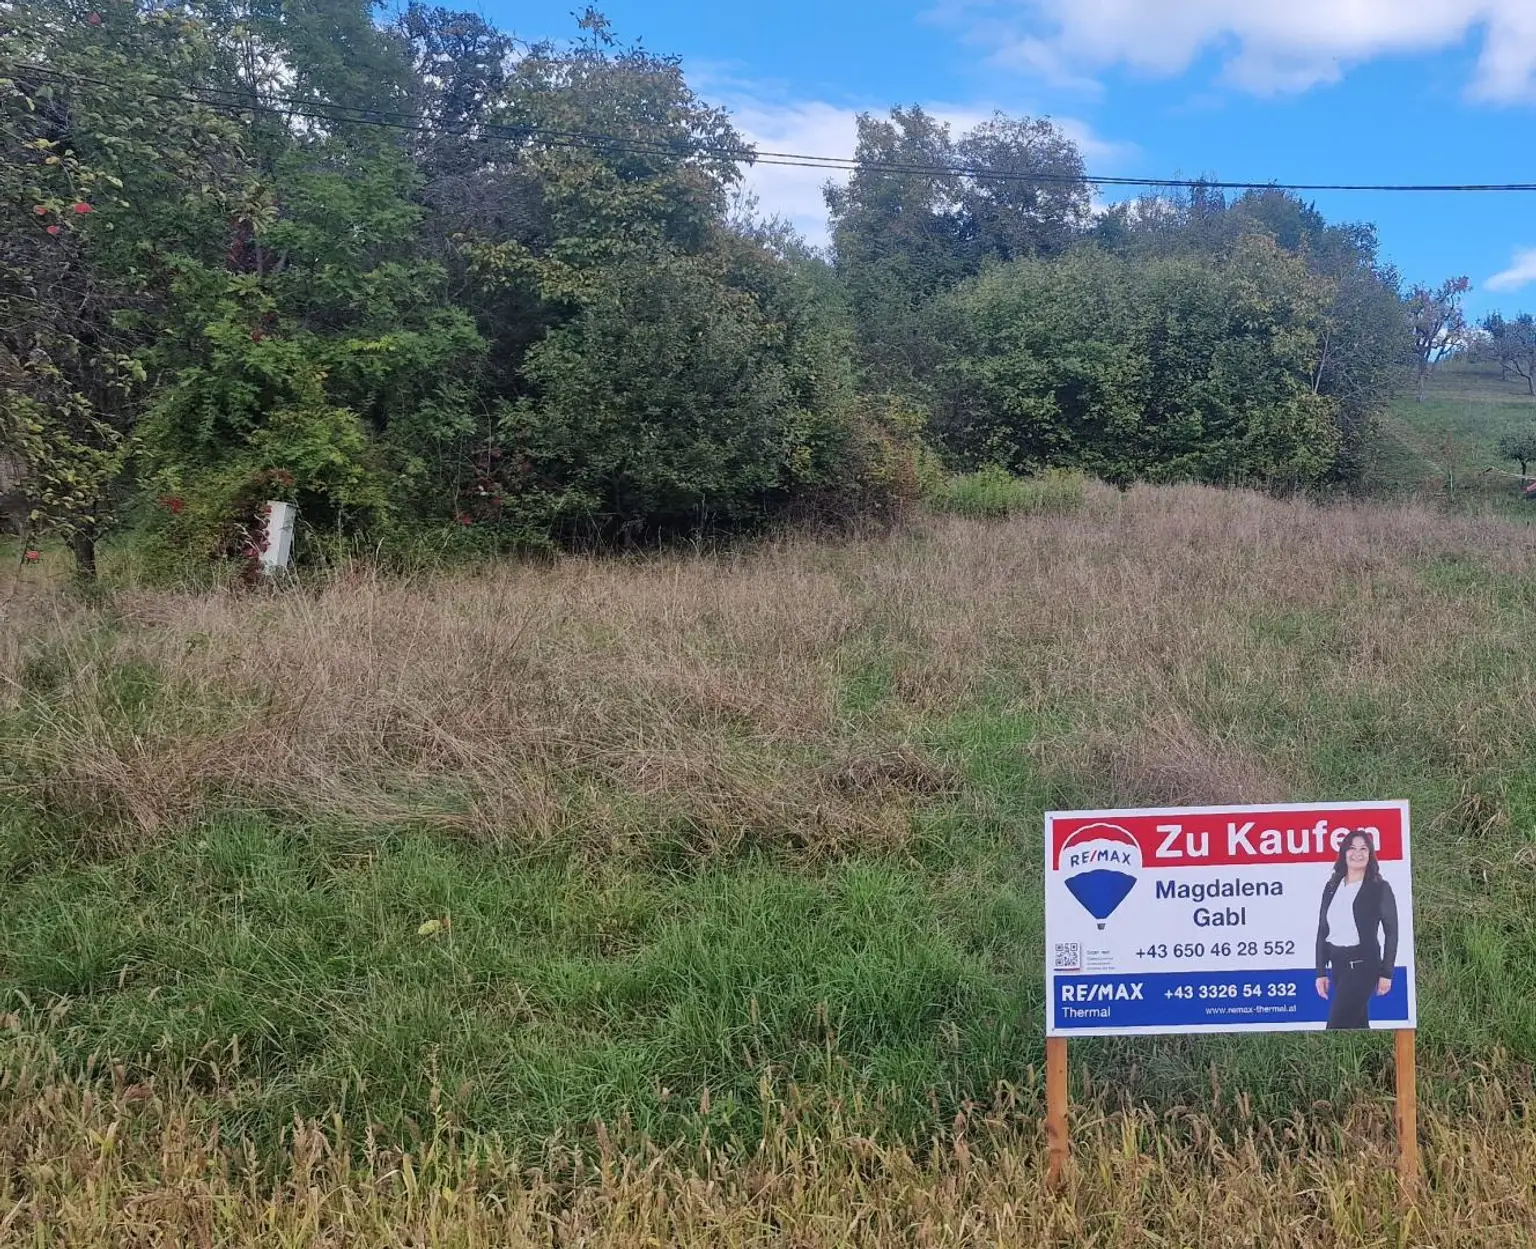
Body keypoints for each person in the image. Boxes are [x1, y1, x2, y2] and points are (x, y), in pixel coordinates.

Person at [1314, 832, 1399, 1030]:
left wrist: (1387, 972)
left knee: (1336, 1027)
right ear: (1344, 852)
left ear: (1370, 854)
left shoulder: (1379, 888)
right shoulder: (1332, 886)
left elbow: (1391, 931)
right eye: (1352, 848)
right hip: (1338, 966)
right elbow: (1322, 930)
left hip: (1363, 966)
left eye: (1363, 849)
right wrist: (1320, 972)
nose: (1357, 853)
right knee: (1358, 1027)